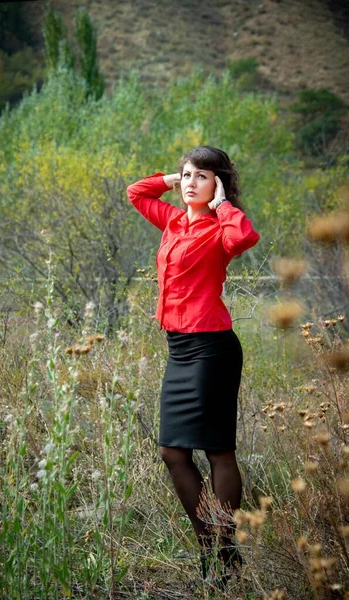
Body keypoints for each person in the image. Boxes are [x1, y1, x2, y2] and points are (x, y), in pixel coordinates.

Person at [126, 146, 259, 589]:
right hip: (179, 350)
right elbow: (135, 193)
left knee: (218, 451)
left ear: (217, 183)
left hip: (212, 349)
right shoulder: (173, 221)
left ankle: (223, 551)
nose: (190, 182)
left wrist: (222, 204)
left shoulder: (221, 227)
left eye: (202, 176)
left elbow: (243, 240)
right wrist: (171, 178)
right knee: (172, 452)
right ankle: (214, 546)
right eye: (187, 174)